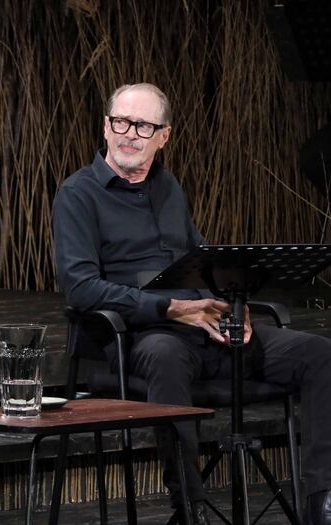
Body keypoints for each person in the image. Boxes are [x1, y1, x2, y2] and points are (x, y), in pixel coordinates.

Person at [53, 82, 331, 525]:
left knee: (318, 354)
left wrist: (229, 305)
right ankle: (190, 506)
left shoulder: (168, 187)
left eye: (143, 126)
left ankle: (322, 502)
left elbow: (199, 261)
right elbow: (81, 288)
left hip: (204, 326)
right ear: (105, 127)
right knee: (165, 354)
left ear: (163, 136)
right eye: (121, 122)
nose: (129, 134)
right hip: (140, 335)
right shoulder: (78, 194)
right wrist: (172, 309)